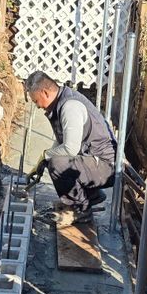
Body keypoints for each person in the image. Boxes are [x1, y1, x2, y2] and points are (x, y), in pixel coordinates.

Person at [25, 71, 116, 223]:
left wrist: (46, 156)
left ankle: (81, 210)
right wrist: (42, 160)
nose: (37, 106)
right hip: (94, 161)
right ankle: (91, 195)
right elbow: (62, 142)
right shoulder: (63, 101)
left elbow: (70, 149)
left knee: (58, 164)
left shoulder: (69, 107)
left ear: (45, 92)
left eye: (36, 101)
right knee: (53, 159)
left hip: (106, 167)